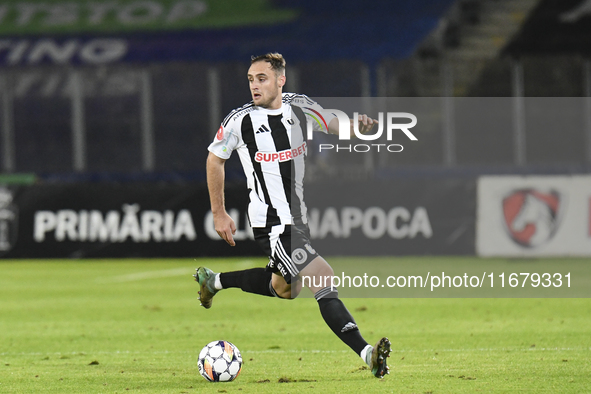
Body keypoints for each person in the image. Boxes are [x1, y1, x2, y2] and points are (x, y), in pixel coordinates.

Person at [195, 53, 391, 378]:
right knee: (323, 277)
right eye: (250, 79)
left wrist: (358, 127)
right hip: (272, 224)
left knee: (285, 289)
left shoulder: (299, 106)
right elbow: (214, 159)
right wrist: (219, 213)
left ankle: (213, 281)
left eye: (262, 78)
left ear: (280, 80)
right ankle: (367, 353)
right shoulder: (239, 120)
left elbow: (332, 123)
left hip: (297, 220)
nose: (254, 85)